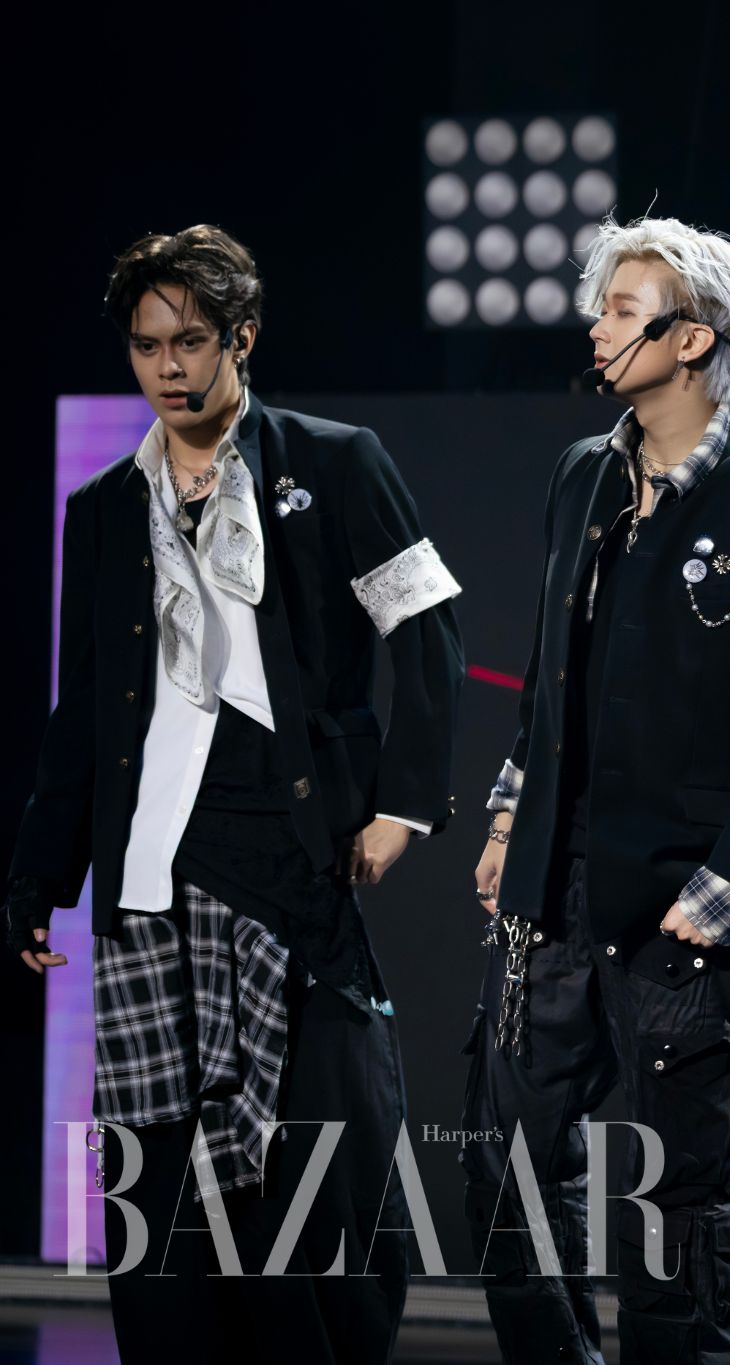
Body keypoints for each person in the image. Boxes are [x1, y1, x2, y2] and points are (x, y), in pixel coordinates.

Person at [7, 224, 464, 1362]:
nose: (167, 367)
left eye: (191, 341)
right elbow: (83, 708)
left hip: (287, 854)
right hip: (150, 871)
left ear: (241, 339)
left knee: (305, 1166)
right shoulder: (103, 507)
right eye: (145, 345)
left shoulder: (335, 463)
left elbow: (427, 628)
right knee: (155, 1183)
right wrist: (37, 877)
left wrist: (404, 805)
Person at [464, 216, 730, 1364]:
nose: (597, 329)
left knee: (677, 1202)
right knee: (504, 1172)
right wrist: (509, 816)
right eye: (603, 308)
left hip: (680, 913)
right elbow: (552, 677)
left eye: (623, 311)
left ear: (694, 337)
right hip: (551, 889)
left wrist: (721, 895)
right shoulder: (581, 476)